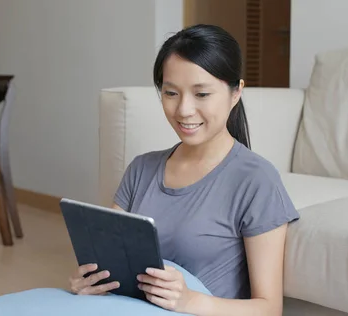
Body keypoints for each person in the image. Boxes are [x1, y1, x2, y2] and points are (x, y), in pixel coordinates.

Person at [68, 24, 300, 316]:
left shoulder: (256, 180)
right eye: (171, 93)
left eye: (202, 94)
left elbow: (269, 309)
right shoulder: (142, 168)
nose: (183, 110)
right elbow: (110, 262)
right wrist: (88, 282)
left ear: (236, 92)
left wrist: (190, 301)